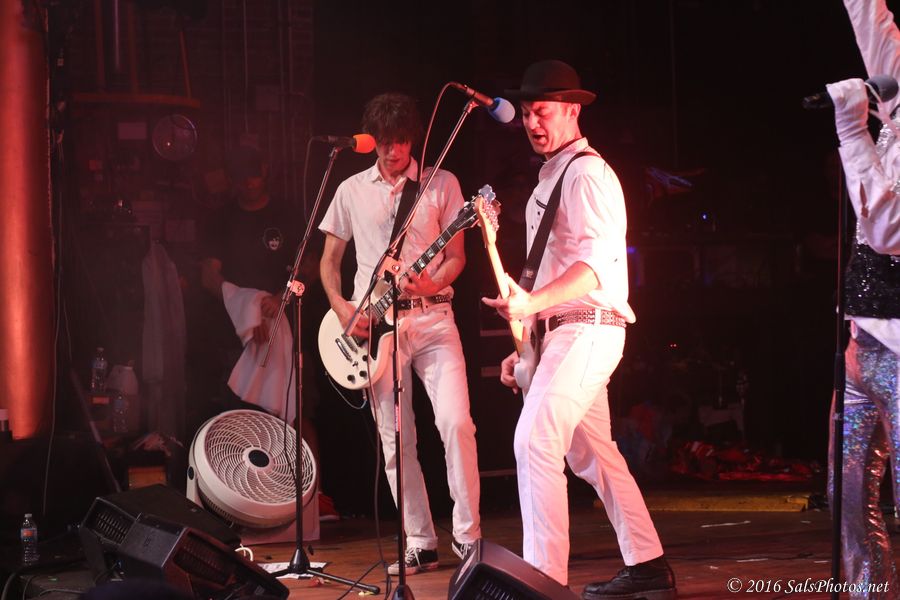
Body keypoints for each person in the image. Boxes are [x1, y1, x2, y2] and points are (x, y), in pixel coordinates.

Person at [482, 60, 675, 599]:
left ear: (571, 110)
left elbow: (595, 265)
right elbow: (551, 271)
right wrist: (527, 344)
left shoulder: (587, 174)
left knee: (534, 439)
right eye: (526, 113)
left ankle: (543, 582)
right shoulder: (554, 175)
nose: (531, 122)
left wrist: (533, 304)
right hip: (564, 332)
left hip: (589, 328)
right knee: (593, 455)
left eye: (541, 112)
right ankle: (649, 566)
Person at [318, 92, 481, 573]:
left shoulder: (441, 183)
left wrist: (431, 282)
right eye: (385, 141)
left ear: (414, 139)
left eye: (402, 141)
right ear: (373, 140)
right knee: (395, 439)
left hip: (433, 319)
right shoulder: (350, 189)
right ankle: (420, 540)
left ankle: (469, 537)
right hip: (376, 331)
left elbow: (457, 257)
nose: (394, 151)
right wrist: (342, 308)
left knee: (456, 423)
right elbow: (329, 261)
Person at [825, 0, 900, 596]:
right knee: (846, 495)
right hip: (862, 341)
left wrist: (852, 132)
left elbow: (886, 230)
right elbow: (876, 34)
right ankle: (865, 591)